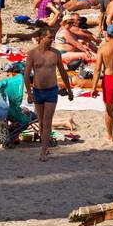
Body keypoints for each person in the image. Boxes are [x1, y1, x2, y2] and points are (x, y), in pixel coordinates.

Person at [25, 23, 74, 161]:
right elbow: (26, 74)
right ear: (41, 37)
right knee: (40, 122)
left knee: (47, 121)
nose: (51, 39)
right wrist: (29, 93)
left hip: (52, 91)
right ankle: (45, 148)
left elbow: (63, 72)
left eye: (52, 37)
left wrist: (69, 90)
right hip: (38, 91)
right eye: (49, 37)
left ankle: (43, 150)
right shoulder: (32, 54)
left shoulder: (55, 53)